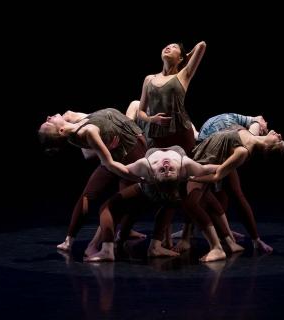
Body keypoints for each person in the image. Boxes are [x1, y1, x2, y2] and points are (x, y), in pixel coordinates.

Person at [84, 146, 232, 263]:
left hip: (150, 187)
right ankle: (218, 245)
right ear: (180, 173)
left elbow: (114, 166)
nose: (166, 165)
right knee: (174, 202)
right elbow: (213, 168)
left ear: (153, 175)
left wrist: (103, 153)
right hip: (161, 189)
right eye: (169, 170)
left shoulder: (145, 166)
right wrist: (236, 157)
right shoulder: (186, 165)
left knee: (112, 206)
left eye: (163, 170)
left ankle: (109, 248)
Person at [38, 107, 147, 254]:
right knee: (111, 200)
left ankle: (72, 240)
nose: (48, 117)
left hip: (122, 148)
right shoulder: (83, 132)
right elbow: (102, 159)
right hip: (129, 151)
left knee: (115, 200)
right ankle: (95, 244)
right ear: (61, 131)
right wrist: (138, 177)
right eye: (48, 123)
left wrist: (104, 147)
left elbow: (89, 150)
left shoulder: (72, 121)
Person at [186, 127, 284, 253]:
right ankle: (228, 241)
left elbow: (217, 175)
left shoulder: (243, 152)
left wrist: (193, 178)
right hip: (198, 154)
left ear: (270, 147)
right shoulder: (252, 133)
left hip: (202, 165)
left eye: (279, 139)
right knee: (205, 202)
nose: (279, 133)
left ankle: (217, 247)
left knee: (192, 203)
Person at [135, 41, 206, 153]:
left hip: (181, 134)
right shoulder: (149, 79)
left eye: (174, 47)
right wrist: (152, 119)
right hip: (157, 135)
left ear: (181, 58)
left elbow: (202, 45)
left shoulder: (183, 75)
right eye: (167, 46)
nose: (168, 47)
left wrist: (187, 57)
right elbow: (140, 112)